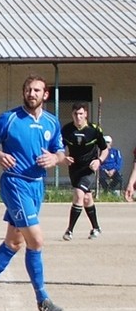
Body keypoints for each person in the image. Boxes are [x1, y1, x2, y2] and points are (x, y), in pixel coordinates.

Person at [0, 74, 66, 311]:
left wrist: (55, 159)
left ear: (45, 95)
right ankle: (42, 298)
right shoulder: (9, 118)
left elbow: (60, 152)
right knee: (36, 240)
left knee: (14, 242)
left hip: (36, 187)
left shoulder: (52, 122)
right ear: (24, 92)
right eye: (28, 90)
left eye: (37, 90)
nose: (32, 94)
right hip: (15, 183)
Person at [60, 102, 107, 240]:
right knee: (86, 198)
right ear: (72, 114)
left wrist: (99, 161)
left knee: (79, 194)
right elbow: (59, 148)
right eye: (75, 114)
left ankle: (69, 231)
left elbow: (105, 149)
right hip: (74, 169)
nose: (78, 117)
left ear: (85, 114)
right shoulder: (67, 130)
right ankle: (96, 228)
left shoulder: (94, 130)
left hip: (88, 169)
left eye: (81, 114)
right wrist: (63, 158)